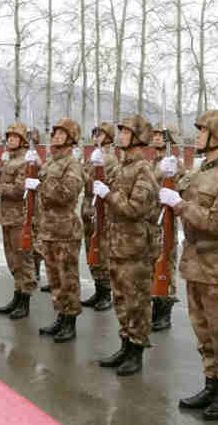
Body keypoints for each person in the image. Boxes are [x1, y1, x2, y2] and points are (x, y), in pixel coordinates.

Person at [159, 110, 218, 420]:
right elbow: (173, 191)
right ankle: (211, 384)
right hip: (196, 265)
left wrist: (180, 204)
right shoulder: (200, 171)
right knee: (205, 333)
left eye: (203, 131)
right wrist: (169, 175)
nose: (197, 136)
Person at [93, 115, 160, 374]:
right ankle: (125, 344)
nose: (120, 136)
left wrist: (108, 194)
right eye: (120, 131)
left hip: (136, 248)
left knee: (137, 302)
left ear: (138, 137)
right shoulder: (123, 167)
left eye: (125, 132)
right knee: (121, 299)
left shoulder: (143, 170)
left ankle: (137, 350)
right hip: (119, 244)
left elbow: (135, 208)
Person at [30, 118, 84, 342]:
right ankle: (61, 316)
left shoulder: (72, 164)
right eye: (55, 133)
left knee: (67, 278)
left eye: (62, 134)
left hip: (65, 231)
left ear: (71, 139)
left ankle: (70, 322)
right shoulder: (51, 162)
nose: (56, 137)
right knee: (54, 278)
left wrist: (41, 184)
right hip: (48, 229)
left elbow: (66, 194)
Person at [0, 123, 37, 318]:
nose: (10, 140)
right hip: (7, 217)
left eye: (15, 137)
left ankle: (25, 300)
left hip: (20, 218)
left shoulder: (26, 161)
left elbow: (19, 190)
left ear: (23, 140)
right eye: (9, 137)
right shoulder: (10, 160)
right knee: (12, 260)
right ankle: (17, 294)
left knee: (23, 259)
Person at [149, 124, 186, 331]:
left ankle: (164, 312)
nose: (155, 138)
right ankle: (154, 303)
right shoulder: (152, 162)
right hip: (151, 219)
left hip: (167, 220)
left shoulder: (175, 164)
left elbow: (182, 190)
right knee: (153, 263)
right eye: (154, 134)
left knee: (167, 263)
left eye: (160, 135)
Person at [80, 122, 119, 311]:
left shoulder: (109, 160)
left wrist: (91, 170)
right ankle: (97, 289)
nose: (96, 136)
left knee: (102, 253)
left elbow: (100, 185)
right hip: (88, 210)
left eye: (100, 133)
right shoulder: (92, 157)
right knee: (91, 251)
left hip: (101, 212)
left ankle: (106, 293)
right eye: (94, 133)